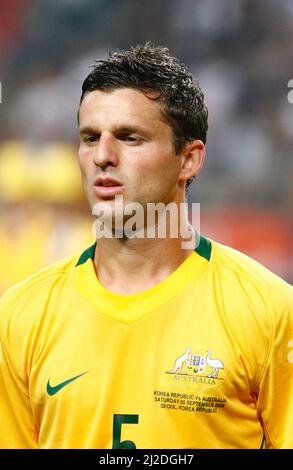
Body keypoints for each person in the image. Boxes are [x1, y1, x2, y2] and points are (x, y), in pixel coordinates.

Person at [0, 43, 292, 450]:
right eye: (89, 138)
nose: (102, 156)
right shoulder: (20, 316)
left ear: (189, 160)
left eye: (129, 138)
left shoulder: (271, 311)